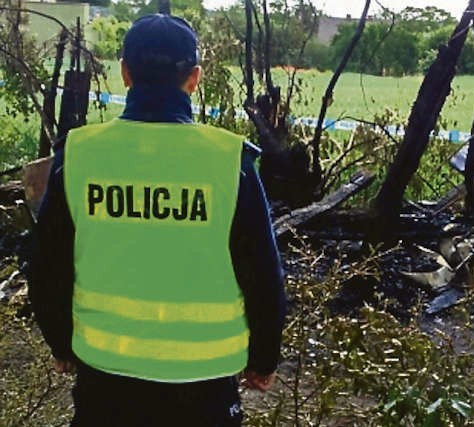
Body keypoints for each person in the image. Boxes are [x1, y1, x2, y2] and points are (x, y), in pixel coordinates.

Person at [28, 13, 286, 427]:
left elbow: (46, 266)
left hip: (105, 376)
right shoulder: (229, 160)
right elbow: (263, 274)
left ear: (125, 73)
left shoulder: (78, 154)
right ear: (195, 78)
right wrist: (264, 359)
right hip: (205, 384)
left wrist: (61, 344)